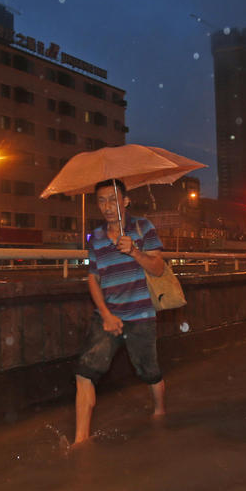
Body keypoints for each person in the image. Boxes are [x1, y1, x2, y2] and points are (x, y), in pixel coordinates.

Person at [73, 180, 167, 445]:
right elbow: (93, 278)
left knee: (149, 372)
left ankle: (160, 410)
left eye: (113, 200)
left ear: (125, 201)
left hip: (141, 315)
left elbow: (158, 268)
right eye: (101, 201)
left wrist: (134, 250)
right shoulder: (97, 237)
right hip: (109, 314)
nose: (107, 207)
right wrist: (105, 313)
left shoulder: (142, 227)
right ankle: (81, 439)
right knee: (85, 371)